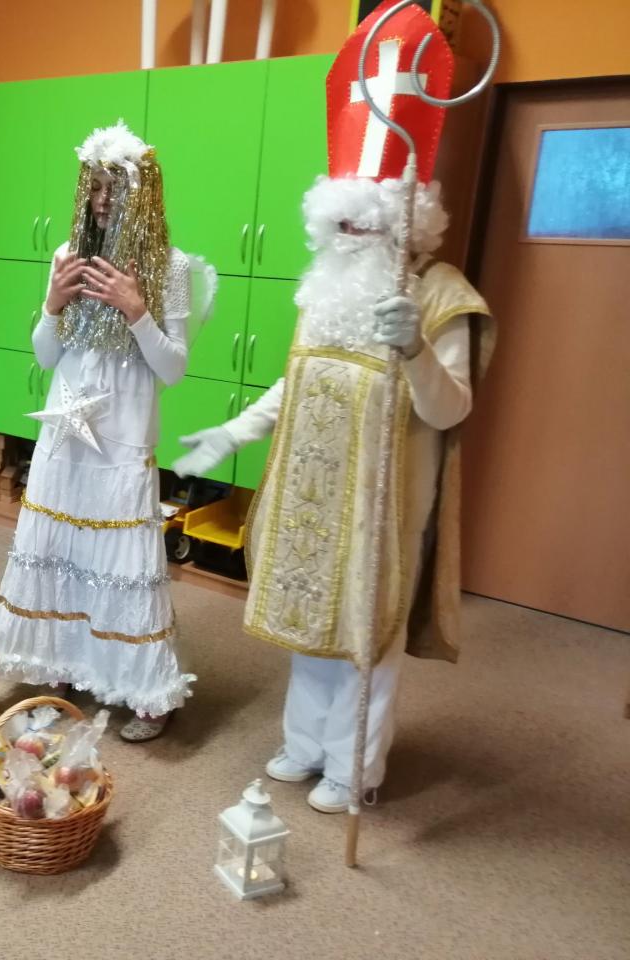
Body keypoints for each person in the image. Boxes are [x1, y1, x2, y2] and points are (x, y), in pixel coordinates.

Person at [173, 5, 494, 811]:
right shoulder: (325, 294)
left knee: (364, 637)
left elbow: (451, 410)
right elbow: (299, 382)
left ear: (405, 223)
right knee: (308, 619)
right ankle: (305, 744)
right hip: (315, 492)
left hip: (385, 503)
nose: (348, 236)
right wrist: (233, 431)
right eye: (338, 224)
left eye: (363, 223)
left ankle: (355, 769)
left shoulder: (441, 298)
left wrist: (415, 349)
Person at [0, 120, 216, 742]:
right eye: (94, 187)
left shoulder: (169, 266)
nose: (103, 201)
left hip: (121, 438)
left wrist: (136, 309)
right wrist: (53, 305)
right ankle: (59, 667)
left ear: (145, 194)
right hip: (64, 435)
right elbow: (45, 355)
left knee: (122, 563)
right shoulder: (68, 254)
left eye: (117, 189)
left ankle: (145, 692)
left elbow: (172, 368)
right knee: (61, 552)